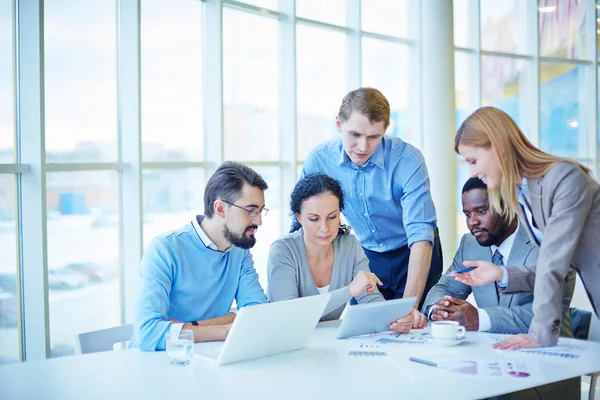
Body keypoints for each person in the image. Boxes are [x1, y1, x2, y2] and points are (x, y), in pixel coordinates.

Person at [453, 106, 600, 350]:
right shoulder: (523, 194)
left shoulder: (565, 179)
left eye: (473, 161)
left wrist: (540, 334)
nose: (474, 172)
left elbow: (553, 266)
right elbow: (547, 267)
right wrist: (502, 274)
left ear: (497, 145)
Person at [300, 87, 443, 309]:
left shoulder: (408, 160)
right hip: (368, 255)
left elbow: (420, 233)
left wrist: (409, 309)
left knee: (414, 327)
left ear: (386, 129)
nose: (363, 147)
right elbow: (299, 220)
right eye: (355, 135)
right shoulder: (319, 160)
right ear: (339, 124)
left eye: (374, 137)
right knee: (367, 327)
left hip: (414, 252)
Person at [131, 161, 270, 351]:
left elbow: (258, 314)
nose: (259, 221)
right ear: (220, 209)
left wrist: (191, 327)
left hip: (206, 358)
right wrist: (223, 330)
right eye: (251, 211)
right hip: (157, 363)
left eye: (261, 211)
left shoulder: (240, 251)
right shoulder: (165, 249)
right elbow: (148, 334)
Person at [268, 173, 426, 332]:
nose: (324, 228)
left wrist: (397, 316)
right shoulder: (282, 250)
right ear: (298, 217)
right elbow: (289, 314)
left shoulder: (350, 246)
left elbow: (370, 299)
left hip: (327, 343)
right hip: (286, 343)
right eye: (314, 219)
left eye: (332, 217)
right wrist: (349, 291)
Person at [423, 177, 536, 333]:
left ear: (508, 205)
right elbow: (445, 287)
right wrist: (438, 309)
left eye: (481, 211)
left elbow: (547, 315)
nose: (472, 222)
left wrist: (479, 318)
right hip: (488, 349)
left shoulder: (541, 244)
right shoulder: (470, 244)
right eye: (467, 215)